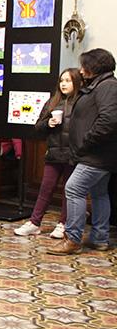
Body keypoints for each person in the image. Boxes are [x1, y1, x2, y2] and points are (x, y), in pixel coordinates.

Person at [50, 48, 117, 255]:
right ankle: (99, 238)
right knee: (98, 193)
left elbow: (108, 120)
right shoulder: (100, 85)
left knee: (73, 188)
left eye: (84, 66)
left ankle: (73, 239)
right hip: (97, 154)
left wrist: (85, 142)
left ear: (94, 67)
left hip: (96, 154)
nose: (80, 70)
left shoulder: (107, 86)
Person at [14, 68, 82, 238]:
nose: (64, 84)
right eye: (61, 81)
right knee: (46, 189)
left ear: (77, 82)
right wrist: (49, 124)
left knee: (69, 190)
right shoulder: (52, 102)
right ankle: (35, 222)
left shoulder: (83, 103)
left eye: (68, 81)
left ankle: (63, 224)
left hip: (73, 154)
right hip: (54, 153)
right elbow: (38, 126)